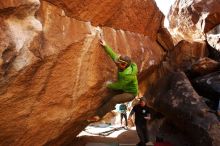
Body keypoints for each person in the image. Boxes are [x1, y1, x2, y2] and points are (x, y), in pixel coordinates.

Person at [88, 37, 138, 122]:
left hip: (130, 93)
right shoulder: (122, 64)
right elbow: (113, 55)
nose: (118, 64)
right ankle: (109, 106)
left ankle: (98, 115)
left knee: (114, 99)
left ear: (125, 65)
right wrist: (105, 45)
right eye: (118, 62)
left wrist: (108, 85)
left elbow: (119, 85)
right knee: (106, 98)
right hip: (123, 88)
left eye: (121, 64)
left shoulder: (128, 75)